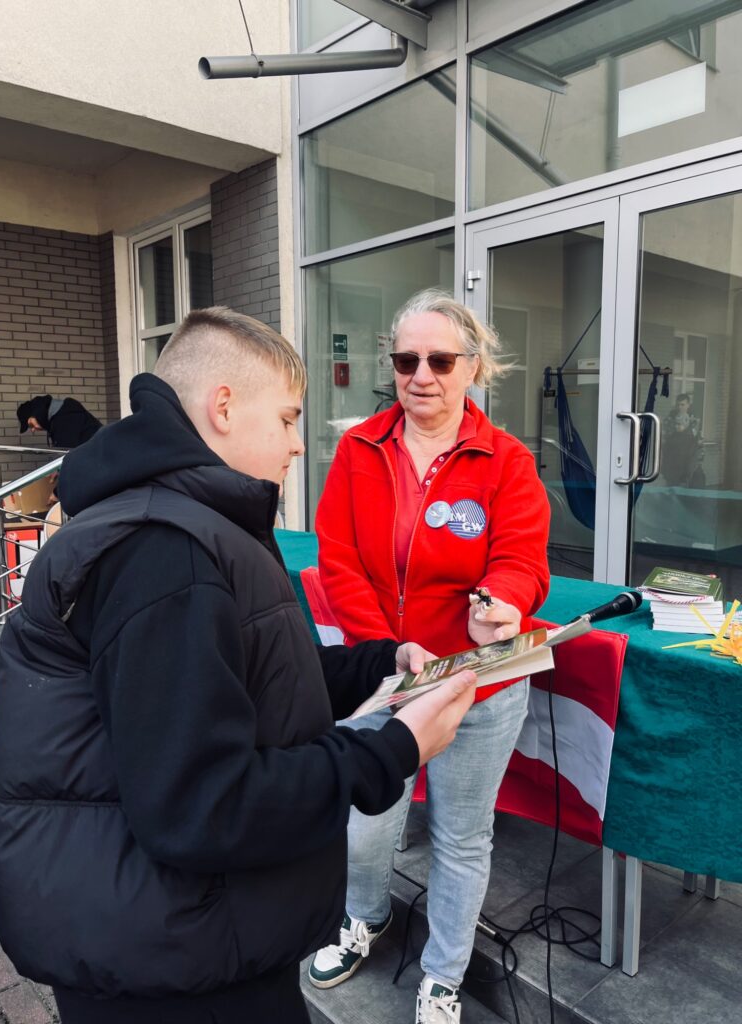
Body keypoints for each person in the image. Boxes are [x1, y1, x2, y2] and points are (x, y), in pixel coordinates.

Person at [0, 307, 480, 1024]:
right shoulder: (166, 549)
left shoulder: (186, 520)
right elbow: (202, 805)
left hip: (180, 930)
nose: (297, 444)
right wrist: (393, 751)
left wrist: (378, 664)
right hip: (166, 957)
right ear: (223, 407)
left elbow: (240, 677)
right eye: (286, 419)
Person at [311, 289, 551, 1023]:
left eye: (441, 361)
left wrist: (503, 602)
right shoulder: (359, 448)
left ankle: (443, 974)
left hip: (476, 682)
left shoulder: (507, 460)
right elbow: (338, 560)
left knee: (461, 837)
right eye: (406, 359)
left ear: (473, 367)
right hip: (383, 673)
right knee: (366, 818)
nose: (421, 376)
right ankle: (365, 916)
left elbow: (522, 559)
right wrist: (387, 650)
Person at [17, 393, 102, 448]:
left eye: (31, 425)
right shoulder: (60, 416)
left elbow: (67, 455)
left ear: (36, 414)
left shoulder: (65, 418)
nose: (33, 430)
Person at [661, 393, 704, 487]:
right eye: (678, 405)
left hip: (688, 459)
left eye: (682, 404)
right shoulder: (670, 418)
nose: (680, 407)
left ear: (688, 405)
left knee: (688, 486)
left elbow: (698, 439)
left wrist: (699, 460)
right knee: (671, 486)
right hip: (673, 460)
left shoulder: (694, 419)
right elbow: (664, 437)